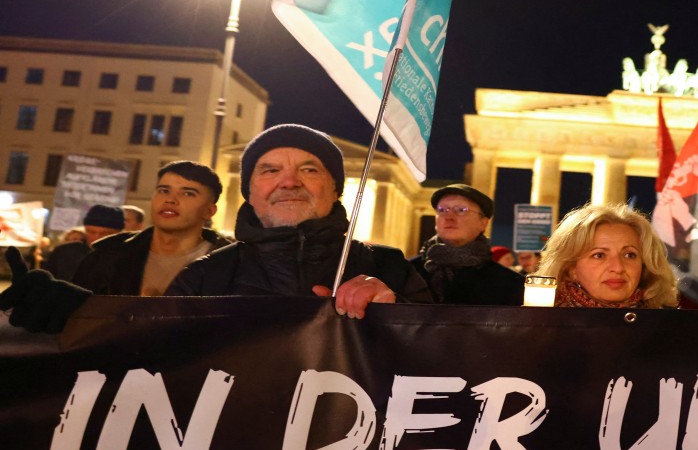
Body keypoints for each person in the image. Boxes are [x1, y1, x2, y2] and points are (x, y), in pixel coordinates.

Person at [168, 124, 433, 316]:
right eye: (270, 170)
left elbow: (442, 355)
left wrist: (397, 312)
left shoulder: (389, 268)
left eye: (309, 170)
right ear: (249, 192)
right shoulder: (202, 277)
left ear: (335, 189)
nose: (290, 182)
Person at [73, 161, 232, 296]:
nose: (170, 200)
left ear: (209, 211)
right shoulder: (106, 258)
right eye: (163, 191)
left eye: (188, 193)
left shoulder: (232, 266)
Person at [538, 203, 678, 309]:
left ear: (645, 265)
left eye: (629, 255)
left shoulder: (671, 328)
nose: (617, 268)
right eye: (599, 255)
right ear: (571, 268)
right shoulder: (539, 326)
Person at [411, 184, 525, 305]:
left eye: (461, 210)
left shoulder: (510, 284)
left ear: (483, 223)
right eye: (442, 210)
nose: (449, 217)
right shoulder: (407, 272)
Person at [41, 204, 126, 281]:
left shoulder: (127, 256)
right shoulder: (64, 253)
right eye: (91, 232)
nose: (97, 237)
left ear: (118, 233)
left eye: (105, 233)